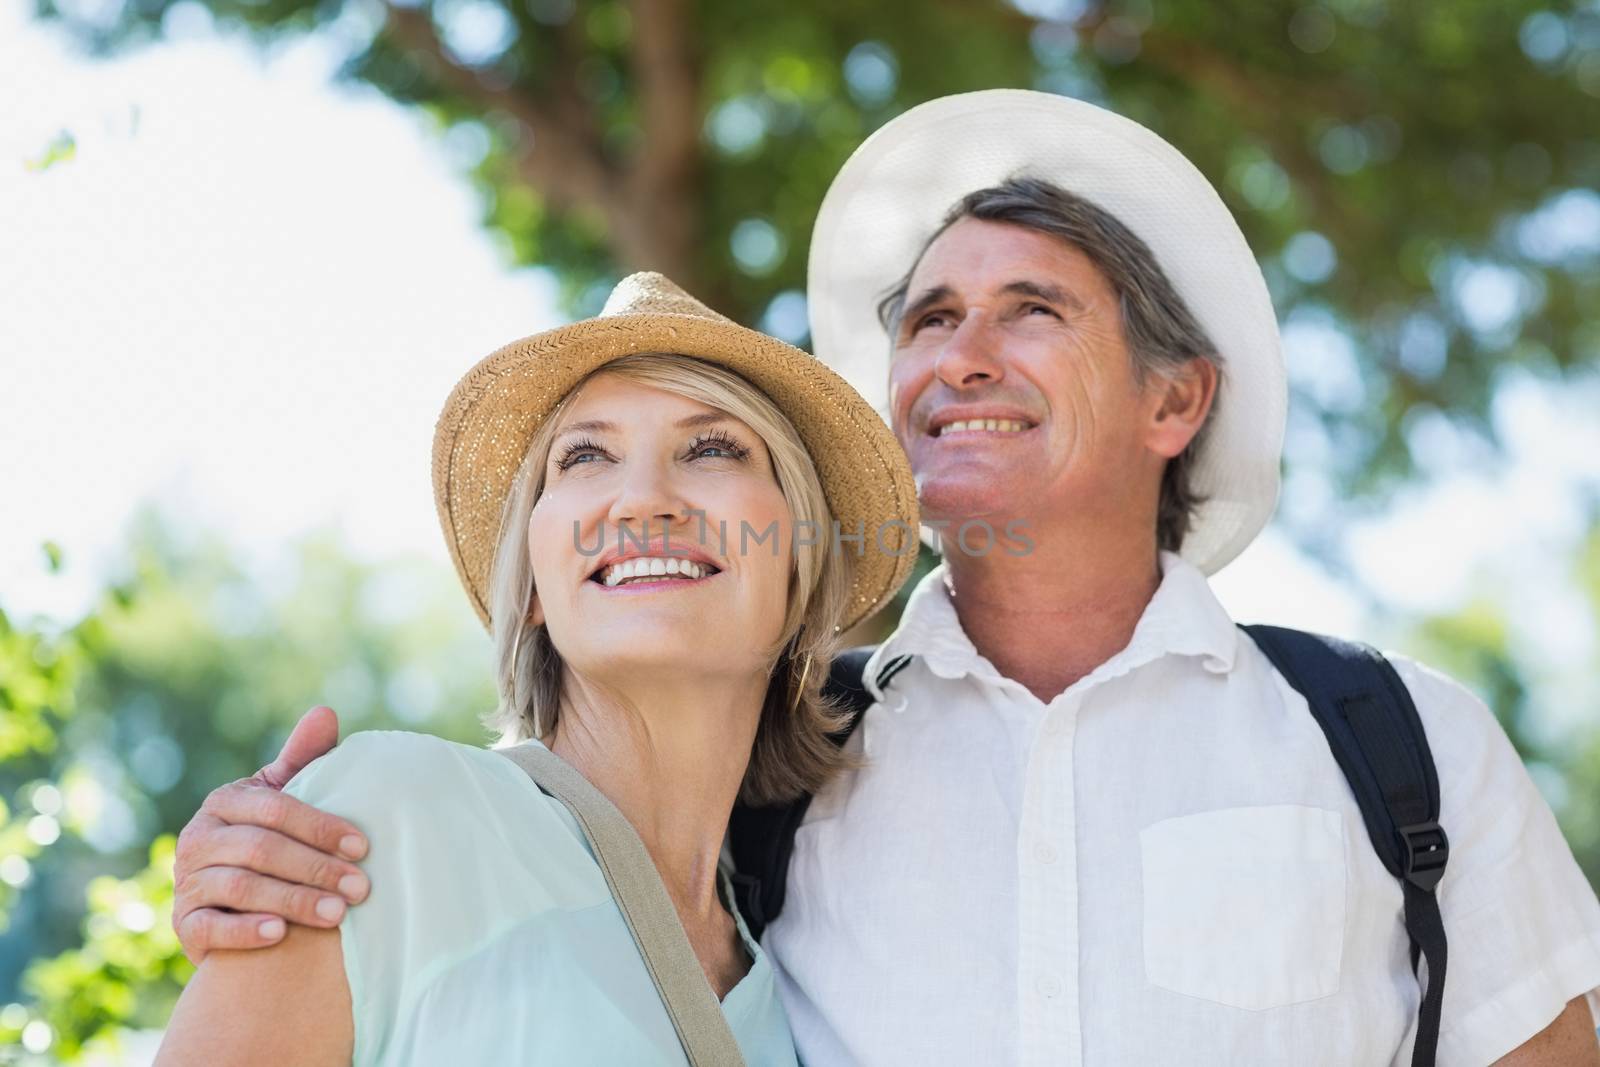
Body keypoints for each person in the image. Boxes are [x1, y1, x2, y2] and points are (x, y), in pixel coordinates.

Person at [168, 92, 1600, 1066]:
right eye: (926, 317)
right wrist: (261, 861)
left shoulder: (1396, 748)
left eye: (1031, 309)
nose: (957, 353)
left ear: (1178, 404)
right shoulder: (777, 785)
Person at [153, 272, 918, 1065]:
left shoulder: (794, 993)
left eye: (713, 447)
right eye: (585, 455)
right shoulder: (391, 819)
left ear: (797, 563)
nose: (642, 499)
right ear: (533, 588)